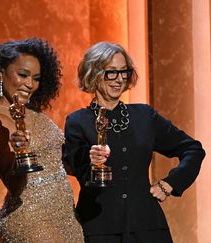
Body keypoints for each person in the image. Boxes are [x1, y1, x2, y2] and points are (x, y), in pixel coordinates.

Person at [63, 41, 206, 243]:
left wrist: (170, 184)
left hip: (148, 227)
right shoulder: (77, 121)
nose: (119, 79)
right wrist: (91, 162)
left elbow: (193, 149)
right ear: (93, 73)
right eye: (111, 72)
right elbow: (78, 170)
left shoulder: (144, 116)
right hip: (100, 229)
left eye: (124, 72)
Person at [0, 38, 84, 242]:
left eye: (36, 78)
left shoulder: (30, 112)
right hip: (32, 220)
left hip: (66, 217)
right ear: (1, 74)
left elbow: (58, 163)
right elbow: (15, 185)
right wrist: (21, 152)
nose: (30, 85)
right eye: (23, 75)